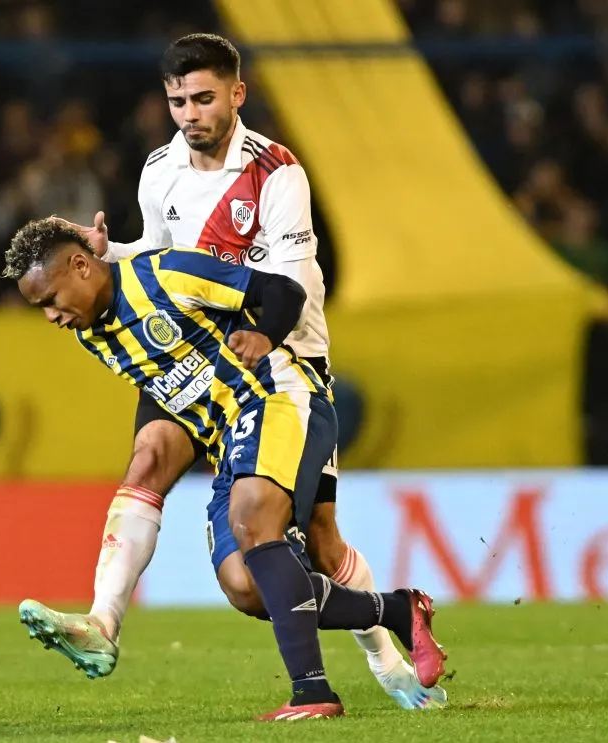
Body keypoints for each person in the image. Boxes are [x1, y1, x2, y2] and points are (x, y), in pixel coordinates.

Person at [49, 32, 447, 710]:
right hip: (198, 353)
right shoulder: (159, 169)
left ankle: (389, 656)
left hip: (284, 356)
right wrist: (108, 250)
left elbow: (287, 285)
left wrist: (264, 334)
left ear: (237, 94)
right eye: (177, 101)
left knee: (318, 539)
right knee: (148, 456)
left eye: (203, 98)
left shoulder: (278, 174)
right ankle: (103, 620)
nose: (189, 114)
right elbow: (160, 254)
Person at [3, 218, 448, 720]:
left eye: (49, 299)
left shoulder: (166, 276)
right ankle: (396, 609)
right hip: (228, 440)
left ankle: (312, 693)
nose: (50, 317)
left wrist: (263, 334)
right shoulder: (94, 336)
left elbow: (281, 290)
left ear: (80, 265)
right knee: (247, 587)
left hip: (277, 396)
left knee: (258, 522)